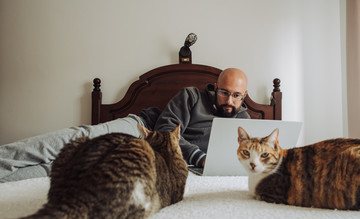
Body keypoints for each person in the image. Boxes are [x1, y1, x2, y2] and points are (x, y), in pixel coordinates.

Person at [0, 68, 250, 182]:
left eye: (236, 95)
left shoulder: (245, 124)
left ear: (244, 95)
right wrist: (199, 156)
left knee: (75, 166)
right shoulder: (191, 96)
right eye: (223, 92)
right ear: (215, 88)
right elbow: (164, 130)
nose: (229, 100)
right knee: (82, 138)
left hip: (158, 159)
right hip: (142, 130)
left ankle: (9, 178)